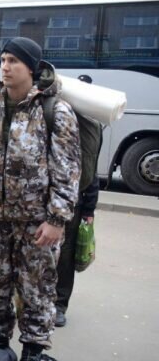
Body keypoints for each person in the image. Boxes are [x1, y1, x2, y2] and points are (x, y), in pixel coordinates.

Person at [0, 37, 80, 361]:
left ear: (32, 69)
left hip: (36, 223)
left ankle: (33, 354)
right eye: (3, 59)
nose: (5, 67)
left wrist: (56, 219)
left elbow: (67, 170)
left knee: (36, 289)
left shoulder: (56, 111)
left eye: (14, 61)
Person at [55, 74, 102, 328]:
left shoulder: (91, 126)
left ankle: (59, 305)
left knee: (65, 256)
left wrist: (89, 209)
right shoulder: (56, 115)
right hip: (46, 198)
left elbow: (91, 171)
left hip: (75, 200)